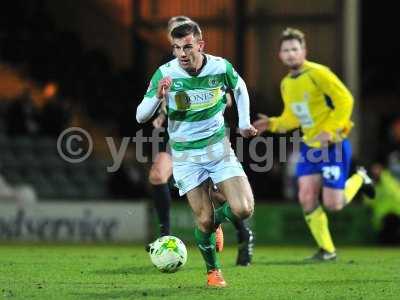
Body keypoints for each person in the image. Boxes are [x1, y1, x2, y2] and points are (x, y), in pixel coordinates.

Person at [137, 20, 257, 287]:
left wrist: (245, 122)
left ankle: (218, 224)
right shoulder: (164, 74)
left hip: (218, 149)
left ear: (200, 45)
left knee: (244, 208)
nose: (182, 53)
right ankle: (213, 272)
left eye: (187, 47)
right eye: (176, 48)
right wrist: (158, 96)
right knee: (203, 219)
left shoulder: (220, 67)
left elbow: (240, 87)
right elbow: (140, 115)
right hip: (185, 157)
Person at [253, 28, 375, 261]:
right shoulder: (287, 83)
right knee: (306, 196)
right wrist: (273, 123)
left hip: (333, 145)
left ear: (303, 51)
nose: (290, 54)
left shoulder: (319, 73)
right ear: (280, 55)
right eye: (286, 50)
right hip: (310, 147)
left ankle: (360, 177)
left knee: (334, 204)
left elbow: (345, 99)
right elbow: (293, 117)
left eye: (294, 49)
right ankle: (328, 251)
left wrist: (332, 129)